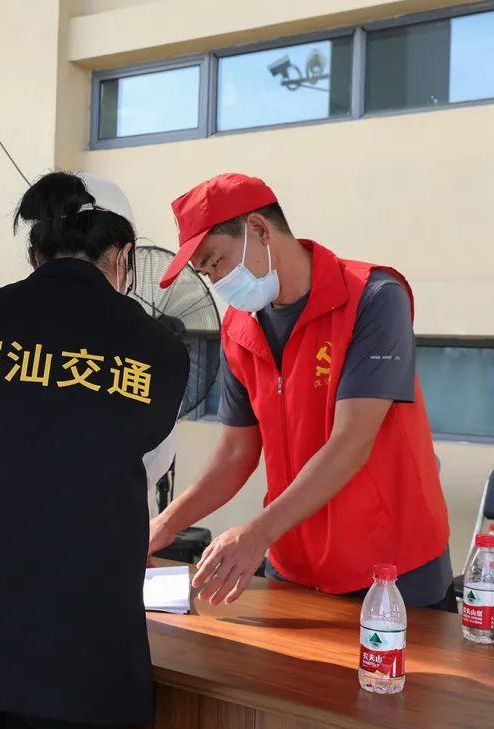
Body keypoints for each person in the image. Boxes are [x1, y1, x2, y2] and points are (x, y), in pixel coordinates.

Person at [0, 172, 190, 729]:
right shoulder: (159, 352)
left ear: (34, 252)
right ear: (122, 256)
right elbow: (147, 469)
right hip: (77, 651)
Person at [149, 173, 453, 610]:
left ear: (258, 229)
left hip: (392, 565)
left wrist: (257, 533)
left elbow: (351, 441)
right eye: (207, 273)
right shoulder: (239, 328)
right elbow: (236, 453)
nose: (217, 282)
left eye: (217, 262)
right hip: (294, 561)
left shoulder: (372, 298)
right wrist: (164, 524)